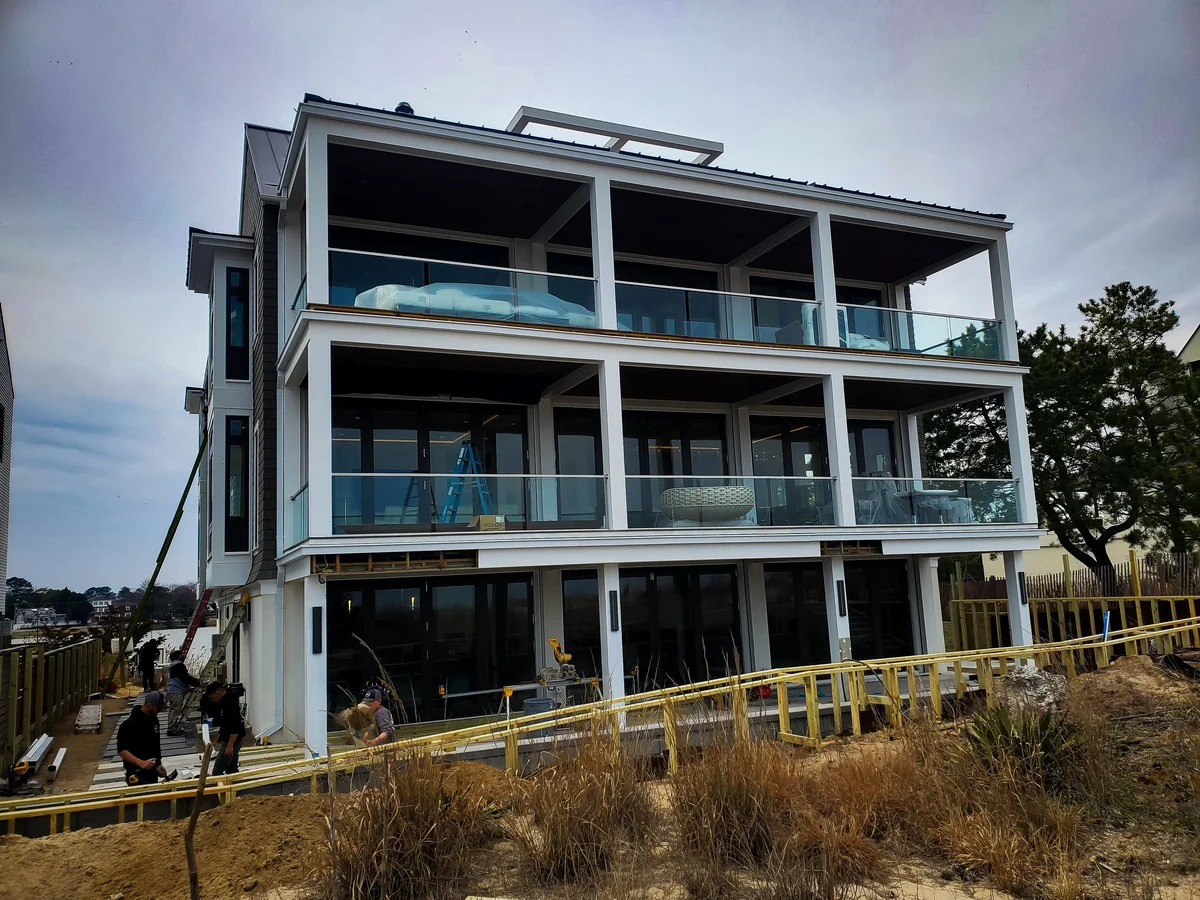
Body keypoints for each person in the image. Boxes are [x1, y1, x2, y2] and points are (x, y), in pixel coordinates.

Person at [117, 690, 165, 786]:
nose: (160, 710)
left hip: (151, 771)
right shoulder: (129, 724)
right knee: (143, 799)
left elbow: (155, 744)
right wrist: (141, 763)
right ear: (149, 705)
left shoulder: (154, 720)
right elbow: (122, 750)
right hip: (137, 773)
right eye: (158, 708)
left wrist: (158, 764)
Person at [200, 682, 246, 776]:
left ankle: (219, 789)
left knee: (217, 772)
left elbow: (235, 725)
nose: (212, 700)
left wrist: (229, 746)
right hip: (233, 739)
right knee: (231, 769)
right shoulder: (226, 699)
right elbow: (226, 722)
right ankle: (234, 786)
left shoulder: (230, 703)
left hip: (232, 740)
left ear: (217, 693)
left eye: (212, 697)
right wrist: (220, 737)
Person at [165, 649, 200, 736]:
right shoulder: (179, 665)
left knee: (173, 710)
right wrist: (197, 682)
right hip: (176, 692)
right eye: (182, 654)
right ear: (178, 656)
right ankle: (172, 729)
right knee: (175, 710)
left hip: (173, 691)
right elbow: (185, 677)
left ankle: (172, 727)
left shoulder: (174, 665)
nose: (184, 655)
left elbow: (183, 677)